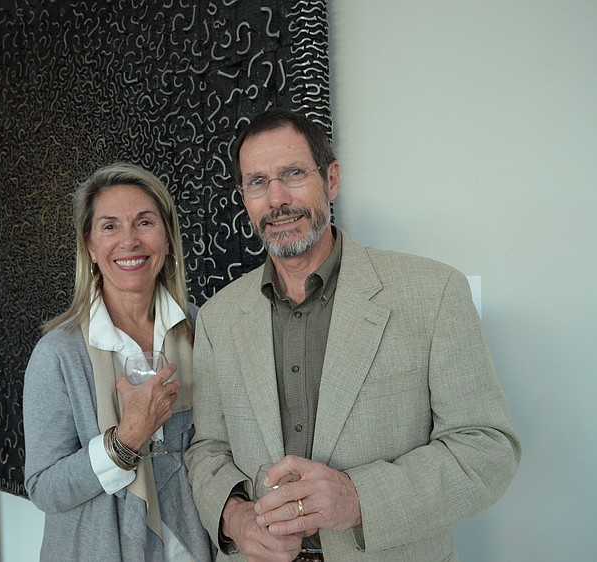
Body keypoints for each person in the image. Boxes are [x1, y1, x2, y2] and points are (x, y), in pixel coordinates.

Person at [184, 108, 521, 562]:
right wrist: (234, 516)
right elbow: (207, 450)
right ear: (244, 197)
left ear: (332, 180)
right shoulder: (219, 317)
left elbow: (486, 448)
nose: (277, 198)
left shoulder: (435, 292)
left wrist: (357, 497)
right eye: (258, 183)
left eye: (294, 174)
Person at [23, 163, 213, 561]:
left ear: (167, 237)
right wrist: (123, 442)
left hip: (195, 548)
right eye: (110, 227)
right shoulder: (58, 353)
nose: (130, 241)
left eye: (145, 222)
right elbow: (44, 488)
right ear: (90, 246)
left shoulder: (205, 330)